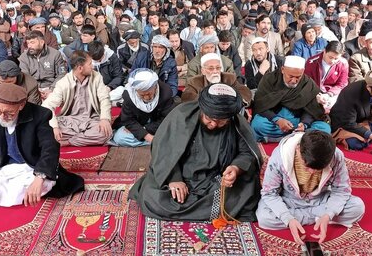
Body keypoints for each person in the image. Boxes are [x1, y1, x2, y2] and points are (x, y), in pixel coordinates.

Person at [129, 84, 262, 221]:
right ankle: (207, 209)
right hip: (182, 177)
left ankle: (203, 208)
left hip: (216, 179)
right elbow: (163, 150)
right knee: (153, 197)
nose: (214, 124)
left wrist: (235, 168)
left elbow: (247, 153)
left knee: (248, 189)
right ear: (202, 109)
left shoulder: (236, 124)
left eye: (221, 121)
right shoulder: (181, 116)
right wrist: (174, 179)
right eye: (209, 119)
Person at [0, 83, 84, 207]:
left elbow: (50, 148)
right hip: (2, 170)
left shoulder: (40, 115)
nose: (2, 116)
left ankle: (24, 191)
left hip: (31, 168)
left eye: (9, 113)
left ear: (21, 105)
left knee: (38, 184)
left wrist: (39, 177)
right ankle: (16, 194)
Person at [256, 131, 364, 243]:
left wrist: (328, 215)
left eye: (318, 169)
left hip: (319, 199)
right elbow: (269, 193)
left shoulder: (336, 156)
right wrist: (288, 219)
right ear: (298, 149)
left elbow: (341, 190)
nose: (312, 172)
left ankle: (315, 218)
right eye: (307, 166)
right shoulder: (280, 157)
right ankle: (315, 218)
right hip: (289, 200)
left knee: (357, 207)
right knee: (264, 217)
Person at [251, 56, 331, 143]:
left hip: (298, 121)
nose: (294, 81)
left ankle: (286, 137)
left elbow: (312, 109)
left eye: (298, 77)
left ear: (303, 72)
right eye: (291, 76)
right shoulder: (269, 79)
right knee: (258, 124)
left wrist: (304, 124)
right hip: (275, 121)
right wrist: (277, 120)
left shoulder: (307, 83)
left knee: (324, 128)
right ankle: (300, 139)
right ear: (282, 69)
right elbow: (261, 104)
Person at [42, 50, 113, 147]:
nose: (92, 66)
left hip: (91, 120)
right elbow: (47, 106)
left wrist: (104, 119)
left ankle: (68, 142)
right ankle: (84, 138)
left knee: (105, 133)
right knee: (47, 130)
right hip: (69, 122)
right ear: (80, 68)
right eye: (90, 64)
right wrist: (55, 127)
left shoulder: (97, 77)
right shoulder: (63, 83)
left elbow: (104, 98)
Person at [111, 69, 175, 147]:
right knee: (119, 137)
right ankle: (159, 141)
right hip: (139, 124)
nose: (147, 97)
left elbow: (167, 119)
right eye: (142, 95)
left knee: (175, 130)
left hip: (156, 126)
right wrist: (146, 136)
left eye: (149, 93)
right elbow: (128, 120)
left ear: (155, 87)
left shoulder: (165, 93)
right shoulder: (129, 96)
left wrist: (145, 129)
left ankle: (156, 141)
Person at [182, 53, 251, 105]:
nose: (215, 71)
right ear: (203, 71)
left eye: (218, 68)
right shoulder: (194, 82)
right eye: (211, 68)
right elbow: (188, 97)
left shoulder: (229, 78)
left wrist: (235, 101)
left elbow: (243, 90)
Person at [18, 31, 67, 100]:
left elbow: (62, 74)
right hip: (32, 89)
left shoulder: (55, 54)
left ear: (42, 42)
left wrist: (52, 89)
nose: (29, 46)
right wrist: (35, 90)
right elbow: (25, 77)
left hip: (52, 86)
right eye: (28, 43)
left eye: (32, 42)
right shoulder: (23, 57)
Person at [304, 41, 349, 113]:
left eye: (336, 58)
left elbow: (341, 84)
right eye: (330, 57)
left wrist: (329, 94)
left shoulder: (343, 64)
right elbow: (306, 82)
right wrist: (316, 95)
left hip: (332, 94)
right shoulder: (312, 62)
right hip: (314, 92)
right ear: (324, 51)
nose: (332, 61)